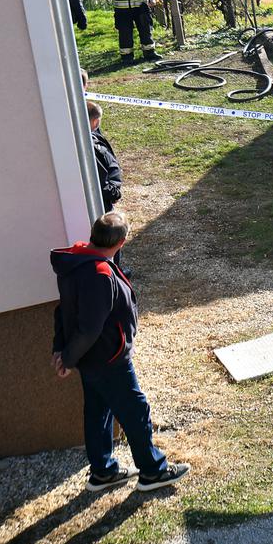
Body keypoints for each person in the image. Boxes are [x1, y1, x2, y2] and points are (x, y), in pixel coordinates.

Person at [51, 211, 189, 493]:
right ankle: (153, 471)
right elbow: (90, 328)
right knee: (135, 410)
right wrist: (66, 358)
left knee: (98, 412)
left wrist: (63, 350)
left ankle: (103, 472)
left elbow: (62, 311)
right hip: (108, 359)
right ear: (121, 242)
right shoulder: (99, 273)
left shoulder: (77, 261)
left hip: (91, 360)